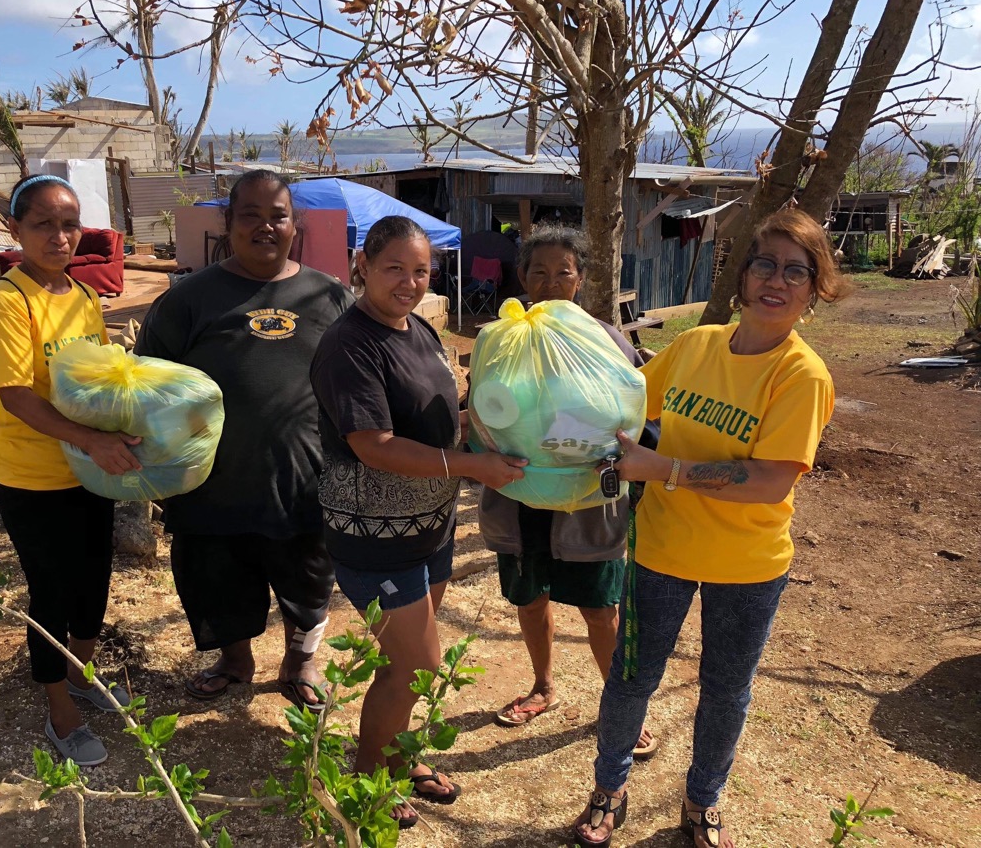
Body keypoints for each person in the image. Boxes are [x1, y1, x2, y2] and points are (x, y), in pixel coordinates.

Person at [572, 208, 846, 848]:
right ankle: (608, 791)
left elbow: (770, 482)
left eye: (795, 272)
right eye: (765, 264)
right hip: (662, 549)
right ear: (743, 274)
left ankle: (702, 802)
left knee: (725, 691)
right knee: (632, 677)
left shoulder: (801, 376)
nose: (776, 281)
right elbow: (627, 401)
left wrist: (660, 467)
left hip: (748, 566)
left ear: (815, 288)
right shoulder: (698, 344)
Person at [310, 215, 527, 829]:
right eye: (394, 269)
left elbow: (439, 415)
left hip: (427, 524)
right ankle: (369, 780)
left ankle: (396, 762)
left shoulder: (421, 331)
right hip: (371, 531)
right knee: (417, 665)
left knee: (404, 664)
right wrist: (470, 465)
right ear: (362, 266)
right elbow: (373, 443)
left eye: (421, 271)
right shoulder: (350, 344)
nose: (409, 282)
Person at [135, 170, 353, 712]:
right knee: (216, 576)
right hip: (212, 481)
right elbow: (145, 384)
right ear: (228, 223)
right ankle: (235, 661)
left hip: (305, 478)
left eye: (277, 215)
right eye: (250, 215)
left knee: (308, 579)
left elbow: (364, 374)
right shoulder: (189, 300)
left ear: (294, 226)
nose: (264, 226)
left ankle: (300, 662)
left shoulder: (330, 296)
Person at [0, 174, 141, 766]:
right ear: (15, 230)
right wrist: (94, 441)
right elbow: (15, 393)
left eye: (70, 224)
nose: (59, 236)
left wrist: (129, 417)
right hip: (28, 472)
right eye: (43, 224)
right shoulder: (6, 300)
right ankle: (59, 713)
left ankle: (79, 675)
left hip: (84, 467)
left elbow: (91, 379)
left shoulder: (85, 297)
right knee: (50, 591)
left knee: (93, 579)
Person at [479, 227, 657, 763]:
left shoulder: (604, 340)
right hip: (519, 495)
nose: (551, 283)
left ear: (581, 279)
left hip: (588, 501)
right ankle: (543, 686)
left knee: (601, 609)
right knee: (529, 600)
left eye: (564, 273)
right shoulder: (502, 337)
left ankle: (621, 706)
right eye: (538, 272)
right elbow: (483, 412)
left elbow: (635, 409)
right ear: (522, 278)